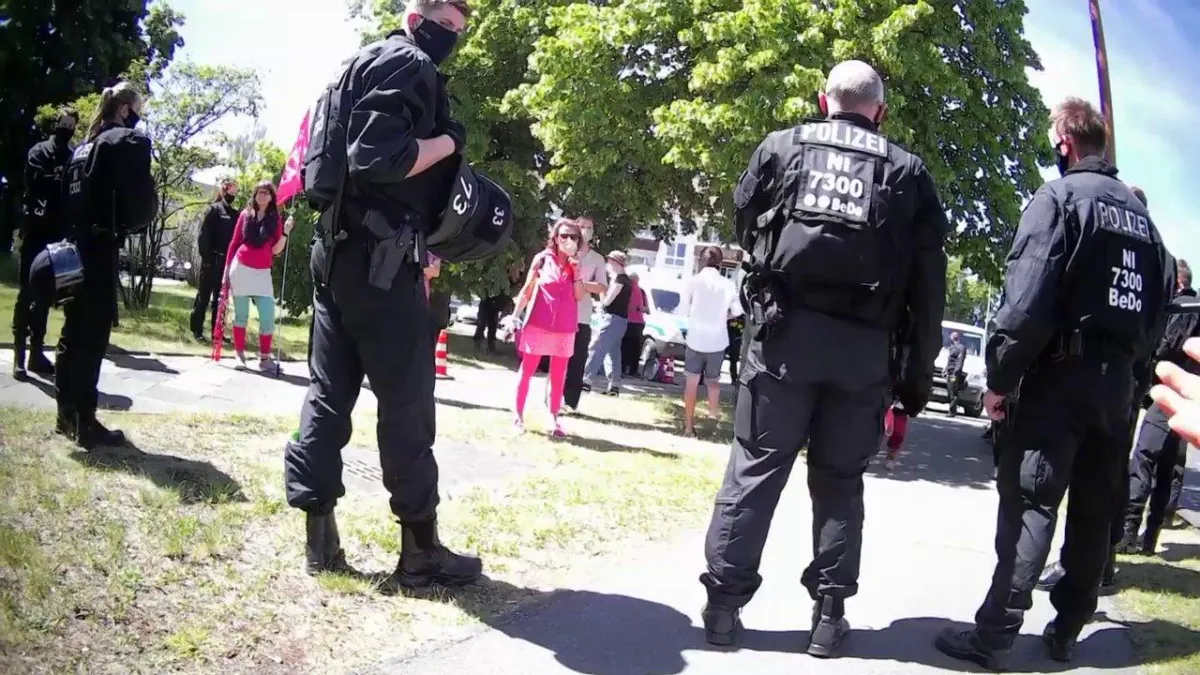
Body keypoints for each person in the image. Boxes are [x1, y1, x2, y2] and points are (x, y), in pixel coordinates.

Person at [699, 60, 948, 657]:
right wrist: (915, 378)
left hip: (783, 337)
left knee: (755, 469)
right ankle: (829, 617)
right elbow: (928, 286)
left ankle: (723, 608)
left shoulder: (781, 147)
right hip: (863, 351)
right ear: (879, 111)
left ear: (823, 100)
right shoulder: (907, 171)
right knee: (839, 481)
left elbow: (745, 222)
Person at [934, 97, 1172, 670]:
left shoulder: (1060, 199)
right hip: (1117, 390)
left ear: (1065, 142)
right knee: (1094, 510)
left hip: (1060, 379)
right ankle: (1066, 630)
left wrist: (999, 378)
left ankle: (996, 634)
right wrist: (1134, 382)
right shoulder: (1148, 228)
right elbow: (1159, 316)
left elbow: (1025, 303)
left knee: (1032, 501)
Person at [283, 0, 483, 587]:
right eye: (446, 25)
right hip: (382, 261)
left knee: (328, 394)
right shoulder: (410, 63)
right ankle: (420, 551)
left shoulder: (357, 63)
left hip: (336, 252)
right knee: (407, 405)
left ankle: (320, 540)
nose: (452, 39)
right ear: (416, 19)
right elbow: (378, 157)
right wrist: (448, 142)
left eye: (459, 31)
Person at [53, 82, 156, 449]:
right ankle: (85, 421)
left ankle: (65, 413)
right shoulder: (121, 141)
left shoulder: (83, 147)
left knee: (72, 331)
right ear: (125, 109)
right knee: (93, 336)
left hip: (72, 247)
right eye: (137, 110)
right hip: (99, 247)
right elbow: (140, 203)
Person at [1120, 258, 1195, 555]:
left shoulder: (1182, 308)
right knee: (1167, 469)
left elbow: (1167, 346)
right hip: (1185, 400)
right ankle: (1150, 537)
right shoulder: (1195, 307)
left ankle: (1128, 532)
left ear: (1177, 282)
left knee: (1143, 459)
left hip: (1169, 394)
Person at [11, 108, 78, 379]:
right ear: (56, 124)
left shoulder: (72, 157)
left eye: (71, 126)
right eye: (64, 124)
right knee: (26, 293)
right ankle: (19, 356)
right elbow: (37, 182)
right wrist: (58, 180)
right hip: (35, 232)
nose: (67, 130)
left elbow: (72, 192)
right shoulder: (39, 151)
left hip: (57, 236)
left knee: (45, 296)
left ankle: (37, 353)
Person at [511, 219, 585, 436]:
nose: (568, 240)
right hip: (538, 323)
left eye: (573, 237)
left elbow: (579, 296)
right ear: (555, 238)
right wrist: (515, 316)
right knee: (527, 371)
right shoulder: (543, 259)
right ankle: (517, 417)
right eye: (564, 236)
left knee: (559, 375)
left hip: (565, 326)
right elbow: (527, 289)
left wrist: (577, 272)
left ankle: (553, 418)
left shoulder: (576, 265)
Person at [223, 181, 293, 371]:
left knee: (268, 315)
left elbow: (276, 250)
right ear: (254, 195)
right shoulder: (245, 215)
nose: (262, 195)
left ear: (271, 197)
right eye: (259, 192)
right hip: (241, 269)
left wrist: (286, 233)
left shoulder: (275, 219)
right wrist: (226, 269)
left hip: (262, 273)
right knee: (241, 315)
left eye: (266, 193)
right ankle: (239, 356)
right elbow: (234, 242)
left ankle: (265, 359)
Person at [680, 246, 741, 436]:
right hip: (717, 339)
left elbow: (683, 309)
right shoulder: (728, 284)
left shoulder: (692, 281)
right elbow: (738, 311)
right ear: (720, 263)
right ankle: (713, 413)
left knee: (691, 383)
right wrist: (724, 317)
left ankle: (688, 427)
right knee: (713, 381)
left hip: (695, 338)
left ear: (701, 260)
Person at [562, 217, 608, 411]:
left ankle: (571, 402)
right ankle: (554, 398)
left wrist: (580, 284)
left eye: (590, 227)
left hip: (582, 315)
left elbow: (602, 286)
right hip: (561, 313)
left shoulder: (597, 259)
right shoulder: (565, 251)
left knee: (578, 360)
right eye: (582, 227)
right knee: (558, 359)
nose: (586, 230)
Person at [190, 178, 239, 342]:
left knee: (221, 298)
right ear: (224, 191)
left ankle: (217, 332)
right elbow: (204, 236)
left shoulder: (234, 214)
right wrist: (207, 259)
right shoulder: (214, 210)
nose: (234, 194)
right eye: (231, 191)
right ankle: (197, 329)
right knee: (204, 296)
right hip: (211, 260)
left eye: (236, 192)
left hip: (226, 262)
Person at [583, 250, 631, 396]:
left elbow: (608, 301)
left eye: (609, 262)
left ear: (616, 263)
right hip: (621, 321)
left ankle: (586, 380)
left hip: (612, 320)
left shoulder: (619, 280)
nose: (607, 265)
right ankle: (614, 386)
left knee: (596, 347)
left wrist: (600, 297)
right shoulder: (627, 280)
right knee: (613, 354)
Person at [621, 272, 647, 378]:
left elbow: (647, 308)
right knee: (625, 346)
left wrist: (639, 309)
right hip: (627, 321)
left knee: (635, 348)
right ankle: (622, 369)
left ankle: (633, 370)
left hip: (638, 323)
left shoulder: (642, 292)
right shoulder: (626, 290)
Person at [943, 331, 968, 416]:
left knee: (952, 390)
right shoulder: (952, 347)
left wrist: (956, 372)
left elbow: (960, 361)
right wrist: (945, 369)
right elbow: (950, 361)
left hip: (954, 373)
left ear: (952, 337)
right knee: (951, 390)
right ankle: (952, 410)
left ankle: (952, 411)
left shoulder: (961, 348)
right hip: (950, 372)